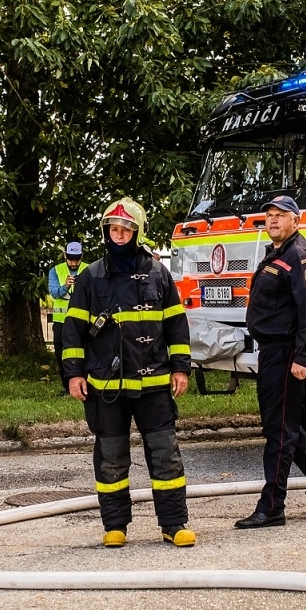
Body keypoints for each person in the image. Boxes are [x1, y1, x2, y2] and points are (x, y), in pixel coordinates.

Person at [61, 198, 196, 548]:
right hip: (107, 386)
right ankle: (115, 525)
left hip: (153, 385)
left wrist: (181, 368)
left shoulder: (158, 274)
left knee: (165, 454)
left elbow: (176, 325)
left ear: (137, 233)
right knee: (111, 457)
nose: (118, 235)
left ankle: (173, 524)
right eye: (113, 229)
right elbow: (72, 331)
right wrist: (74, 374)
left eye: (125, 230)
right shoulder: (90, 277)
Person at [236, 195, 306, 528]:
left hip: (287, 354)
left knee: (279, 433)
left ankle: (272, 506)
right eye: (269, 215)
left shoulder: (300, 257)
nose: (272, 220)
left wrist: (303, 357)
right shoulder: (277, 253)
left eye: (280, 216)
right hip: (271, 351)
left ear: (295, 222)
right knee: (283, 428)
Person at [46, 241, 85, 391]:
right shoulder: (56, 271)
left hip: (82, 321)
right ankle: (66, 386)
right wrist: (66, 286)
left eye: (77, 259)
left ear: (82, 256)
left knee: (85, 351)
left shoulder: (89, 269)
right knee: (60, 353)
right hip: (61, 321)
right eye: (70, 259)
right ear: (65, 256)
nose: (73, 262)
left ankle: (85, 384)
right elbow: (55, 293)